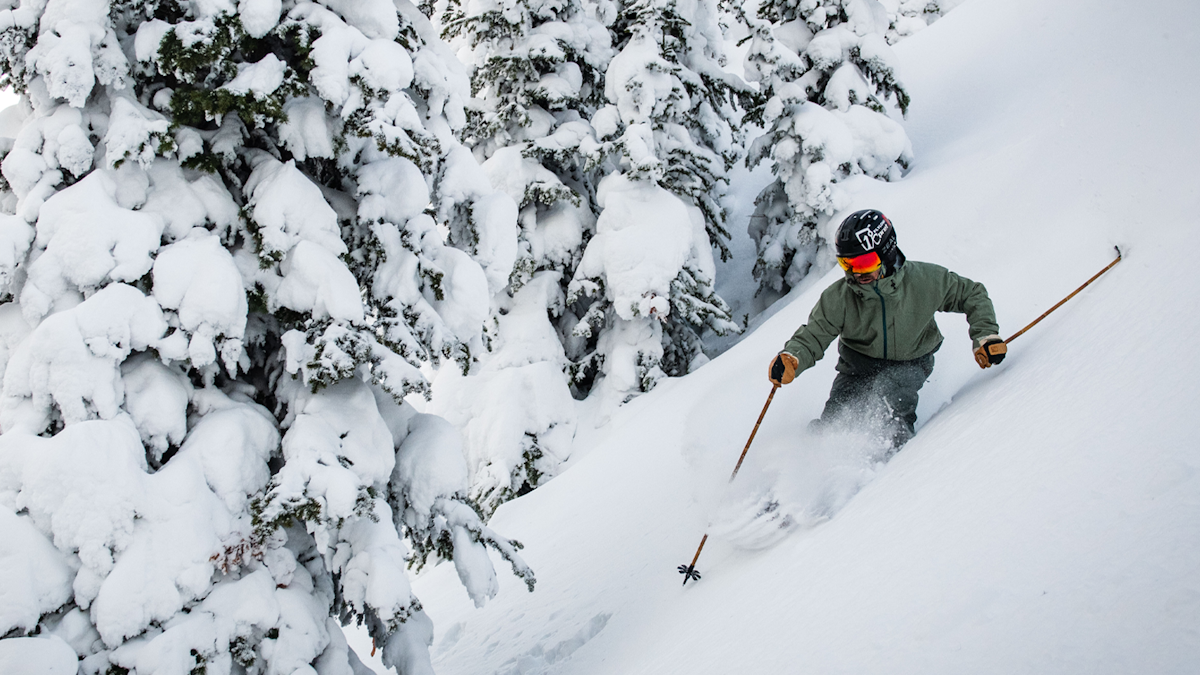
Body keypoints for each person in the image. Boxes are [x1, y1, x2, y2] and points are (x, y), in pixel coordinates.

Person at [768, 209, 1007, 450]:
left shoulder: (924, 281)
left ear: (887, 254)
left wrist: (985, 336)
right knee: (836, 419)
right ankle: (812, 460)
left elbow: (972, 294)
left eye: (864, 263)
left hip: (910, 361)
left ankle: (888, 463)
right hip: (857, 368)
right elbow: (813, 335)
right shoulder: (839, 297)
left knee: (890, 405)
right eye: (847, 263)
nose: (855, 272)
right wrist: (792, 358)